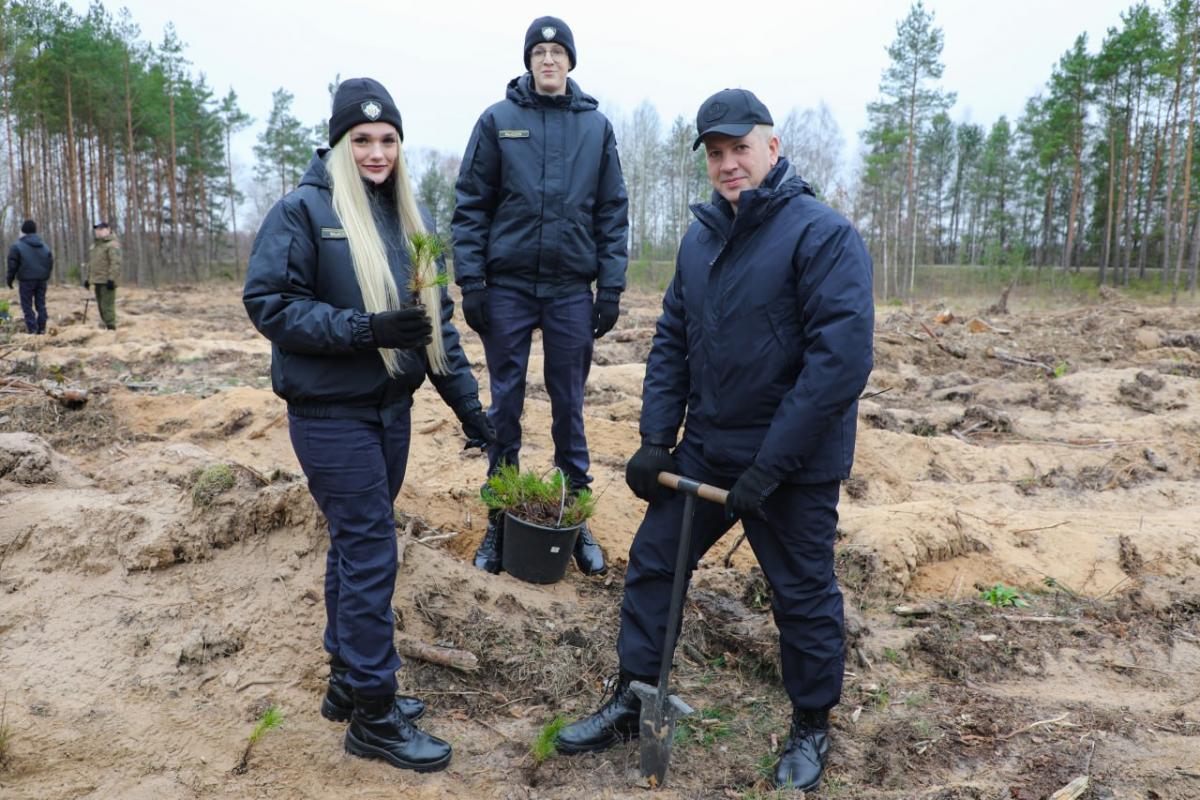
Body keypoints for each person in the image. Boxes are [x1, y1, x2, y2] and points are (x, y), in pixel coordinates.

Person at [553, 89, 875, 792]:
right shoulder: (701, 240)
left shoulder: (822, 235)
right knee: (653, 564)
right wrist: (655, 439)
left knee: (801, 593)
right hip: (708, 445)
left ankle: (811, 725)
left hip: (792, 461)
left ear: (773, 148)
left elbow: (839, 364)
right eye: (716, 153)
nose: (729, 163)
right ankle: (634, 696)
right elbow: (672, 339)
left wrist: (773, 465)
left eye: (741, 148)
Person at [244, 77, 495, 773]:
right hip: (331, 416)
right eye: (362, 140)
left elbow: (438, 327)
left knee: (354, 551)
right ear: (338, 144)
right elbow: (269, 303)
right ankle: (375, 719)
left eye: (387, 140)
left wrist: (472, 410)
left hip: (391, 415)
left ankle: (347, 684)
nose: (376, 152)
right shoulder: (303, 212)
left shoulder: (409, 220)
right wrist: (365, 328)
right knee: (372, 550)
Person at [453, 15, 629, 577]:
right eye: (538, 52)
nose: (548, 60)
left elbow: (612, 211)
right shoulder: (498, 121)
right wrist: (472, 282)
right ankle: (500, 519)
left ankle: (575, 516)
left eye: (557, 52)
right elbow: (471, 204)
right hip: (507, 287)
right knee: (504, 405)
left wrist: (611, 286)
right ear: (528, 61)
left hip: (569, 289)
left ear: (570, 61)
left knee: (569, 405)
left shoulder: (596, 128)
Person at [6, 219, 53, 334]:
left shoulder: (17, 246)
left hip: (26, 281)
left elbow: (12, 265)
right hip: (41, 280)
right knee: (41, 304)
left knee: (27, 306)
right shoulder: (45, 247)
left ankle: (33, 329)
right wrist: (45, 276)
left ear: (23, 231)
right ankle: (42, 329)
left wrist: (10, 279)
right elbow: (50, 262)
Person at [84, 222, 121, 330]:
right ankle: (106, 325)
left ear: (108, 230)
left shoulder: (112, 245)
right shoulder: (95, 246)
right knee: (100, 306)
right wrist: (88, 279)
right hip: (97, 280)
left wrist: (112, 279)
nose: (98, 232)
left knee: (107, 306)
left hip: (107, 281)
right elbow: (91, 264)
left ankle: (111, 327)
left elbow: (115, 263)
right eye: (97, 230)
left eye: (101, 229)